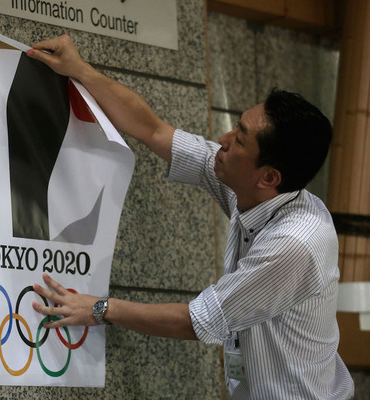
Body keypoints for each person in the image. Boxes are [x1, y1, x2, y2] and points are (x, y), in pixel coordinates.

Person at [27, 35, 354, 399]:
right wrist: (80, 70)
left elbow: (196, 321)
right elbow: (154, 130)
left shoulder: (295, 243)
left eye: (240, 139)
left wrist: (102, 308)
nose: (224, 139)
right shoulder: (248, 183)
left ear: (269, 177)